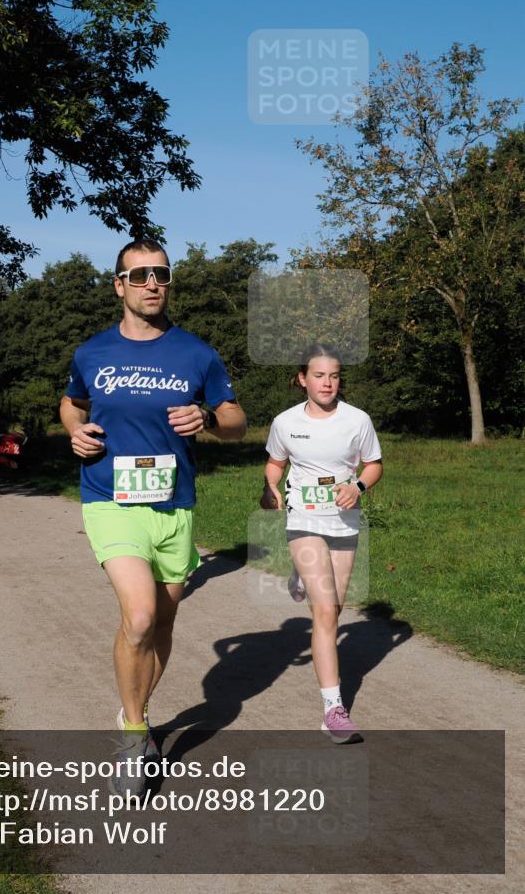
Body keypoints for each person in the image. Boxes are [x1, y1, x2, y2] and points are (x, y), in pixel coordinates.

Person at [60, 238, 247, 798]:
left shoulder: (196, 352)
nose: (150, 284)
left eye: (159, 274)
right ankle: (135, 737)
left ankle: (132, 714)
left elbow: (237, 421)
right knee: (140, 618)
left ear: (168, 283)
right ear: (118, 285)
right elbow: (72, 401)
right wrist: (75, 430)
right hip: (110, 500)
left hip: (175, 506)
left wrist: (210, 417)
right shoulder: (92, 353)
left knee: (162, 627)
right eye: (138, 275)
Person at [260, 344, 383, 743]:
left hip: (344, 523)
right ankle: (334, 708)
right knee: (326, 612)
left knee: (336, 608)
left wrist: (359, 486)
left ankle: (300, 574)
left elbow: (374, 464)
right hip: (303, 519)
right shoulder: (284, 422)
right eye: (318, 375)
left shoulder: (358, 420)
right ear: (302, 379)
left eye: (333, 376)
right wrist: (270, 487)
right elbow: (276, 463)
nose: (327, 383)